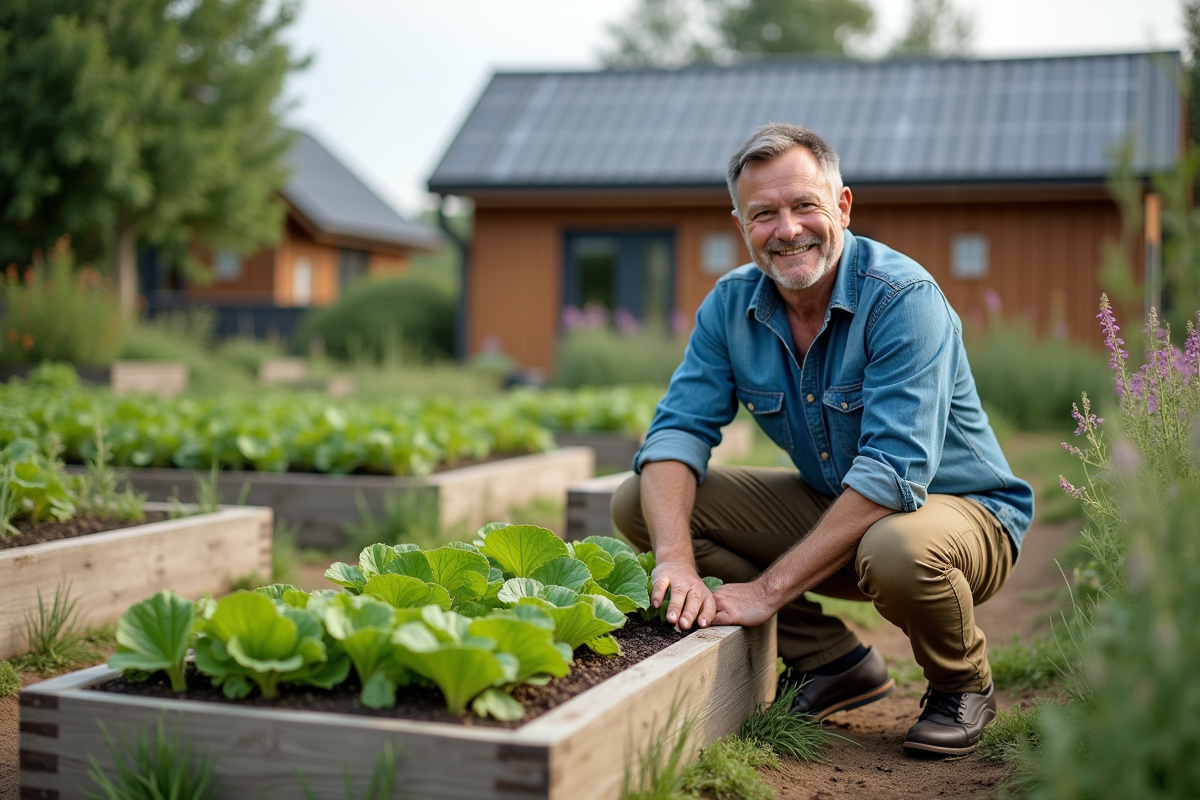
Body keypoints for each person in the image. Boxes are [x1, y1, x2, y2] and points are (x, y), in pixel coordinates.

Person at [611, 122, 1034, 756]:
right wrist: (674, 559)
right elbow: (676, 431)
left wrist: (767, 590)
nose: (787, 230)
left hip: (962, 517)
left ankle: (960, 683)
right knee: (638, 501)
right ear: (741, 225)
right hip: (841, 506)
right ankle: (833, 662)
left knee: (896, 549)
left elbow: (894, 473)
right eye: (764, 214)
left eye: (805, 205)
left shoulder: (902, 298)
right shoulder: (731, 306)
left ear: (841, 205)